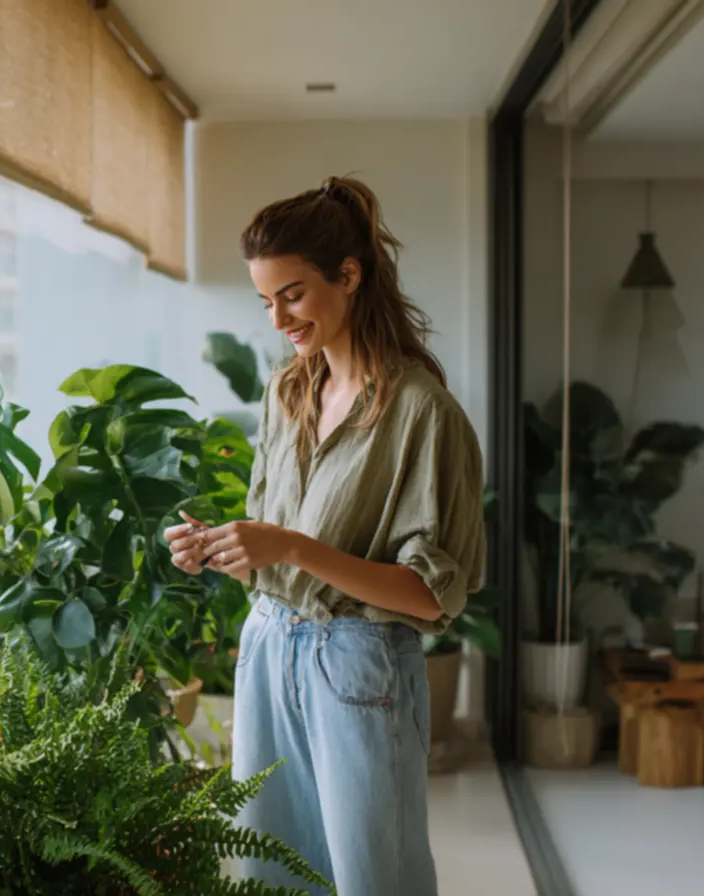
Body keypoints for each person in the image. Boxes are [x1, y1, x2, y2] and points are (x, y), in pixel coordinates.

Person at [165, 175, 485, 895]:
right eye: (266, 299)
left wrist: (289, 548)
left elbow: (434, 600)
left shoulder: (423, 413)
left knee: (375, 879)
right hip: (269, 645)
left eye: (294, 293)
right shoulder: (287, 394)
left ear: (350, 275)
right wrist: (216, 548)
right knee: (271, 872)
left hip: (359, 666)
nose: (278, 317)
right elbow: (270, 553)